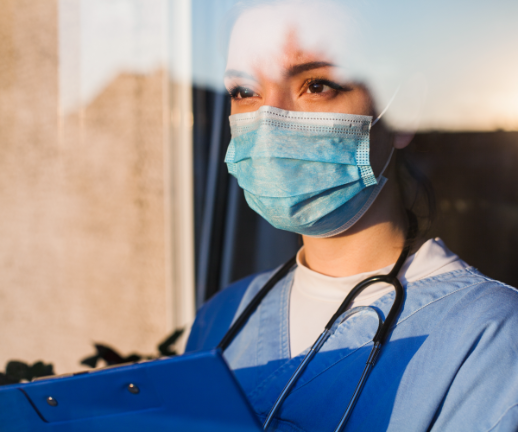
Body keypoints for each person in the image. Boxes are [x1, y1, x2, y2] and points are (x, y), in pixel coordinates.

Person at [186, 1, 518, 431]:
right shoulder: (222, 317)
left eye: (318, 84)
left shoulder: (489, 337)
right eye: (245, 91)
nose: (270, 121)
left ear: (403, 109)